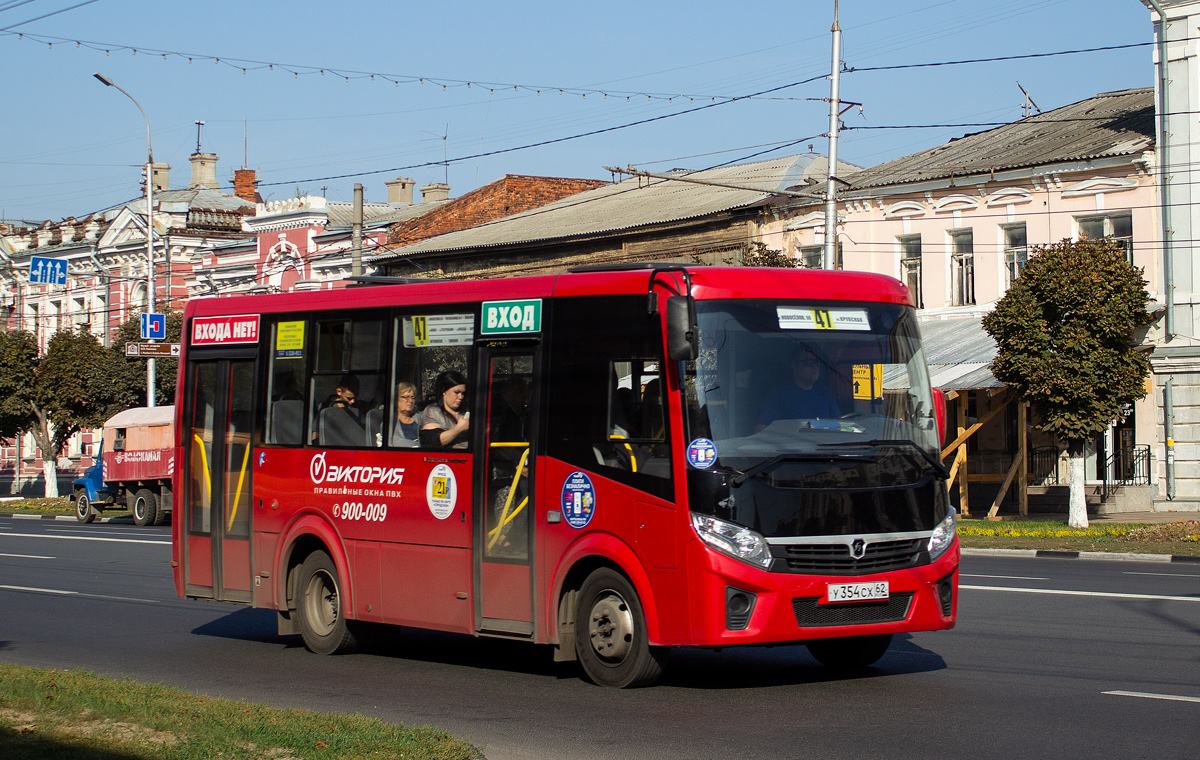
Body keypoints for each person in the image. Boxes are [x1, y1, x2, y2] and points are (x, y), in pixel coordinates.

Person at [756, 347, 840, 430]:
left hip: (823, 442)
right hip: (792, 443)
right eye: (809, 363)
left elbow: (838, 425)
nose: (815, 368)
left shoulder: (825, 393)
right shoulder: (780, 394)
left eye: (817, 363)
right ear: (794, 365)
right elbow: (761, 428)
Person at [421, 370, 470, 449]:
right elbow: (432, 442)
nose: (460, 397)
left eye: (463, 393)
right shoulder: (433, 411)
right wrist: (459, 428)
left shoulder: (465, 411)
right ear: (444, 391)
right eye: (456, 392)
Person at [389, 381, 420, 447]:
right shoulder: (389, 423)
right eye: (406, 397)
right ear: (396, 400)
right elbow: (395, 443)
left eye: (413, 397)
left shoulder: (421, 418)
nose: (410, 401)